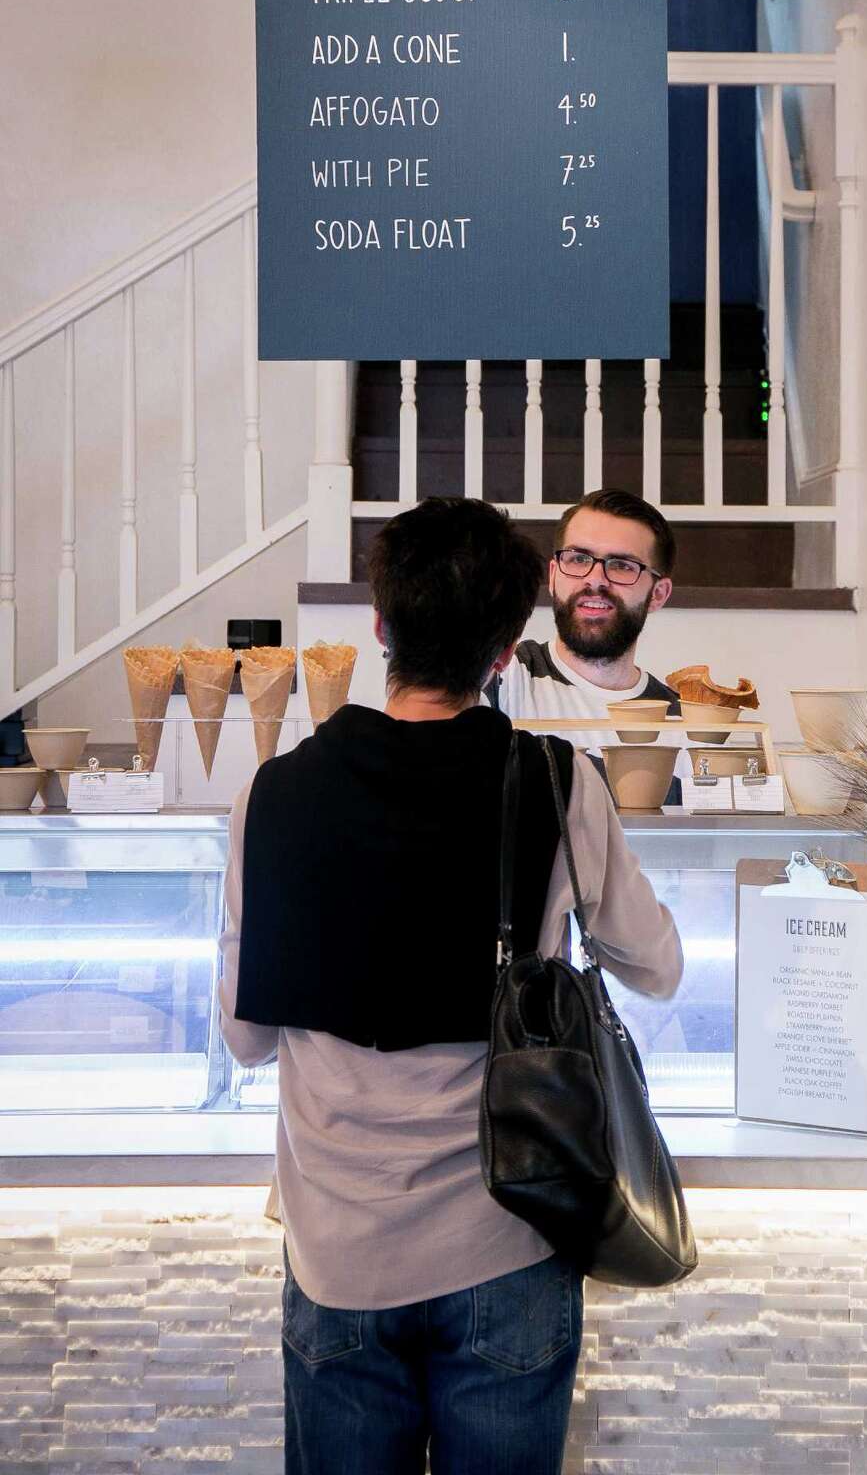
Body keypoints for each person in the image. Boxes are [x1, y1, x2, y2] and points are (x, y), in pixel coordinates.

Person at [218, 497, 682, 1475]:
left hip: (338, 1248)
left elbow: (247, 1040)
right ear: (510, 648)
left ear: (380, 627)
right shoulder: (558, 779)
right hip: (507, 1237)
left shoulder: (276, 791)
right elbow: (659, 968)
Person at [487, 487, 680, 758]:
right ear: (553, 576)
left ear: (657, 594)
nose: (595, 579)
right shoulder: (499, 678)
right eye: (579, 559)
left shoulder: (688, 726)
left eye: (622, 565)